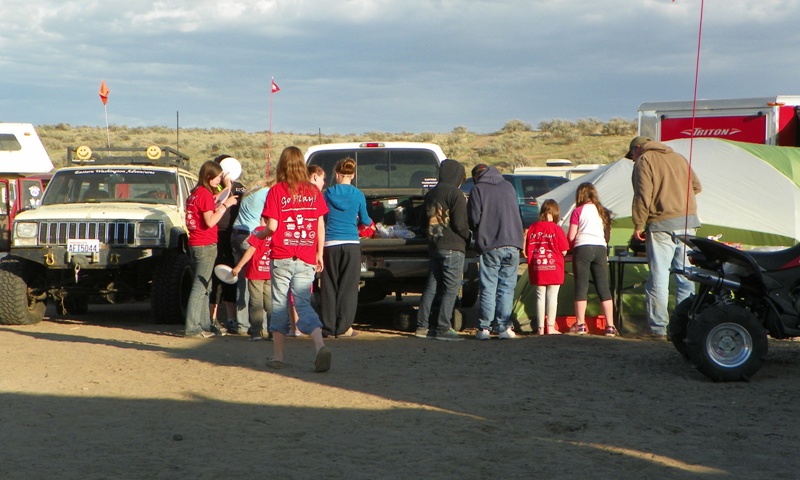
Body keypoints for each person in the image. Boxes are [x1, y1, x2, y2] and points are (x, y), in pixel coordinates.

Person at [259, 146, 331, 372]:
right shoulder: (313, 191)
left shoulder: (277, 191)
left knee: (279, 304)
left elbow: (272, 226)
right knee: (303, 302)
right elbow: (319, 223)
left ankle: (278, 356)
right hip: (307, 256)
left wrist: (259, 234)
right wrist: (320, 252)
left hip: (282, 255)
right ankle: (320, 345)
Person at [627, 136, 702, 339]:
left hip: (661, 224)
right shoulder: (678, 158)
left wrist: (638, 225)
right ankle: (685, 326)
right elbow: (697, 187)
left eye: (631, 154)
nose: (632, 159)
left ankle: (658, 329)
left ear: (638, 148)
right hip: (688, 223)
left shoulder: (645, 160)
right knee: (686, 277)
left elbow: (643, 195)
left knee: (659, 277)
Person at [415, 159, 471, 341]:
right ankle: (443, 328)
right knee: (451, 288)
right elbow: (460, 224)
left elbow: (422, 222)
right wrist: (469, 237)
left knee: (432, 287)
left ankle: (422, 326)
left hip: (434, 245)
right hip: (453, 247)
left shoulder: (431, 193)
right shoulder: (456, 194)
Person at [467, 164, 524, 340]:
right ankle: (504, 327)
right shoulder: (508, 186)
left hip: (490, 244)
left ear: (476, 176)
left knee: (489, 287)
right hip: (513, 242)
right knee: (507, 287)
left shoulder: (478, 189)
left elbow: (474, 218)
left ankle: (484, 328)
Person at [321, 157, 374, 338]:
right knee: (349, 287)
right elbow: (366, 220)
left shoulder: (327, 194)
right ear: (352, 175)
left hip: (330, 244)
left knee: (329, 286)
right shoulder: (358, 195)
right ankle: (344, 328)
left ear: (337, 174)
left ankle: (328, 326)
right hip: (351, 243)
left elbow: (322, 218)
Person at [184, 161, 238, 338]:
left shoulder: (195, 194)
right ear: (209, 176)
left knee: (206, 286)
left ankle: (205, 324)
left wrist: (226, 189)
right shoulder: (205, 195)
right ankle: (193, 327)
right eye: (217, 178)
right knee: (200, 287)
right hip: (205, 244)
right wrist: (226, 205)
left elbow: (213, 201)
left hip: (195, 243)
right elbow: (210, 220)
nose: (218, 181)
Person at [567, 182, 617, 337]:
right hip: (600, 249)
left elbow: (571, 236)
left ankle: (580, 324)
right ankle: (610, 326)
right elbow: (607, 236)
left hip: (583, 248)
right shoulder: (603, 212)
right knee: (603, 287)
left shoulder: (578, 211)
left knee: (581, 286)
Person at [231, 179, 274, 338]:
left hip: (236, 233)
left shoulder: (253, 189)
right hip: (252, 234)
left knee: (242, 282)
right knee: (259, 291)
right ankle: (262, 327)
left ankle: (243, 325)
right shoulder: (269, 193)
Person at [209, 154, 246, 335]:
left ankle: (231, 318)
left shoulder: (241, 189)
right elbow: (213, 203)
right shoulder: (212, 188)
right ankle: (212, 317)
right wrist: (225, 186)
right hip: (216, 234)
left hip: (233, 235)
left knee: (231, 275)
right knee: (215, 276)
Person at [525, 199, 569, 335]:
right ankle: (550, 327)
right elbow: (564, 250)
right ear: (555, 213)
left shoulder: (533, 227)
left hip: (537, 267)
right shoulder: (557, 229)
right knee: (552, 297)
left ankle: (540, 328)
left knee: (540, 296)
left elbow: (527, 249)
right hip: (554, 267)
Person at [231, 222, 273, 341]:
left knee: (256, 303)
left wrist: (239, 266)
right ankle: (272, 331)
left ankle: (256, 332)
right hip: (270, 272)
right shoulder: (278, 231)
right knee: (270, 304)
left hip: (256, 272)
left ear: (263, 219)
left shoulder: (258, 230)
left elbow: (251, 250)